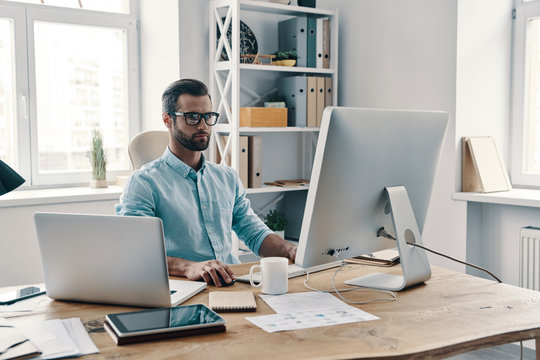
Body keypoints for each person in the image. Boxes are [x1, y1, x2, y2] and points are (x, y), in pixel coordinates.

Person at [116, 79, 296, 287]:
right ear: (167, 120)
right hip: (182, 288)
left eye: (208, 116)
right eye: (192, 117)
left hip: (232, 282)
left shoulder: (226, 177)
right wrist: (188, 267)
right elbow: (136, 254)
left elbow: (255, 234)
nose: (203, 126)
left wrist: (291, 250)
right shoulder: (143, 183)